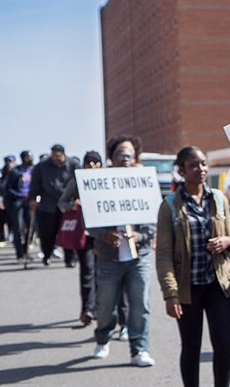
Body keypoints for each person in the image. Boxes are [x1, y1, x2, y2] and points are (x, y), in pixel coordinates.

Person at [156, 147, 230, 387]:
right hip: (187, 289)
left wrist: (227, 242)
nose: (200, 169)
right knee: (191, 346)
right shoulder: (170, 206)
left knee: (223, 344)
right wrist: (170, 293)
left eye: (203, 164)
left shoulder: (219, 200)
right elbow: (163, 254)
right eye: (193, 165)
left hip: (218, 286)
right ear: (181, 170)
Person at [89, 135, 156, 367]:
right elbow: (90, 220)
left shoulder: (145, 182)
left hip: (140, 256)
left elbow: (153, 220)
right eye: (120, 155)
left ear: (135, 158)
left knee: (141, 304)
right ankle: (103, 337)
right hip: (109, 257)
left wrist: (140, 236)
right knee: (105, 304)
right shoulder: (99, 184)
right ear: (112, 158)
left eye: (129, 155)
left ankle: (140, 349)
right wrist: (104, 234)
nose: (125, 159)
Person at [58, 151, 130, 328]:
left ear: (100, 165)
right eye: (87, 162)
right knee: (87, 272)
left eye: (94, 162)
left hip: (106, 236)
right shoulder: (77, 182)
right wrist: (72, 205)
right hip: (84, 235)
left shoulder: (108, 181)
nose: (91, 166)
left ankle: (110, 312)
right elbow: (62, 203)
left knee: (107, 274)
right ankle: (87, 310)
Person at [28, 144, 79, 266]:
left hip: (68, 205)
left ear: (63, 155)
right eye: (53, 156)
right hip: (48, 204)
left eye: (58, 156)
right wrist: (33, 199)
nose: (55, 159)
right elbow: (34, 185)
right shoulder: (41, 167)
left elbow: (79, 184)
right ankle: (47, 255)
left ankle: (70, 258)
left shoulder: (74, 165)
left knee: (68, 232)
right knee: (47, 233)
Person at [5, 151, 34, 262]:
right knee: (18, 228)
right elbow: (8, 189)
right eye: (28, 157)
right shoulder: (15, 171)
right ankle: (19, 254)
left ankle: (26, 250)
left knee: (31, 227)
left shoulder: (33, 170)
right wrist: (21, 195)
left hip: (30, 202)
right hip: (18, 201)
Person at [0, 155, 16, 247]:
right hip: (3, 201)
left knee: (12, 220)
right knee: (1, 221)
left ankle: (12, 236)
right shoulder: (1, 177)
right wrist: (0, 202)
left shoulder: (17, 175)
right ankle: (2, 238)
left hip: (14, 201)